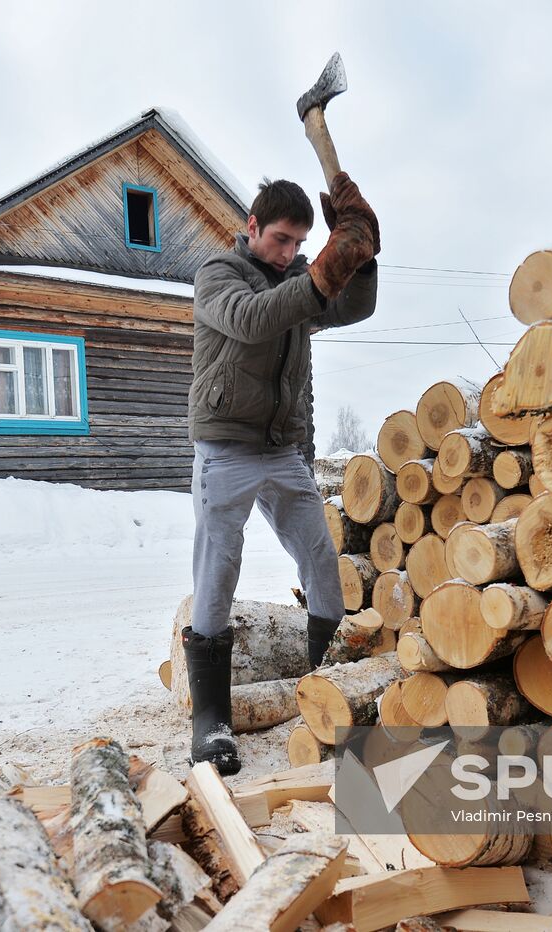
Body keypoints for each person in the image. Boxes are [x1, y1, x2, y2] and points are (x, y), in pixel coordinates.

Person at [181, 171, 380, 774]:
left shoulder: (298, 282)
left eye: (300, 243)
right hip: (225, 447)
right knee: (219, 570)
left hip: (282, 448)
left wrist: (363, 253)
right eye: (281, 240)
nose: (290, 253)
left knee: (321, 561)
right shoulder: (218, 276)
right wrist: (322, 271)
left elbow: (354, 306)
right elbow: (252, 320)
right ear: (252, 227)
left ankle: (327, 695)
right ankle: (211, 721)